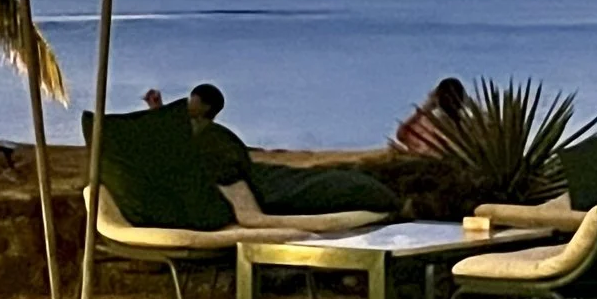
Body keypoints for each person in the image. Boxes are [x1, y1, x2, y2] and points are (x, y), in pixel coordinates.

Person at [167, 80, 399, 219]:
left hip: (249, 177)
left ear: (205, 106)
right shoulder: (206, 138)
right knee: (337, 185)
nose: (188, 104)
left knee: (331, 182)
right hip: (244, 182)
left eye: (192, 100)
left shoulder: (212, 137)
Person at [393, 76, 468, 155]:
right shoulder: (426, 121)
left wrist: (425, 108)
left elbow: (401, 134)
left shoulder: (429, 123)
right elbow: (401, 134)